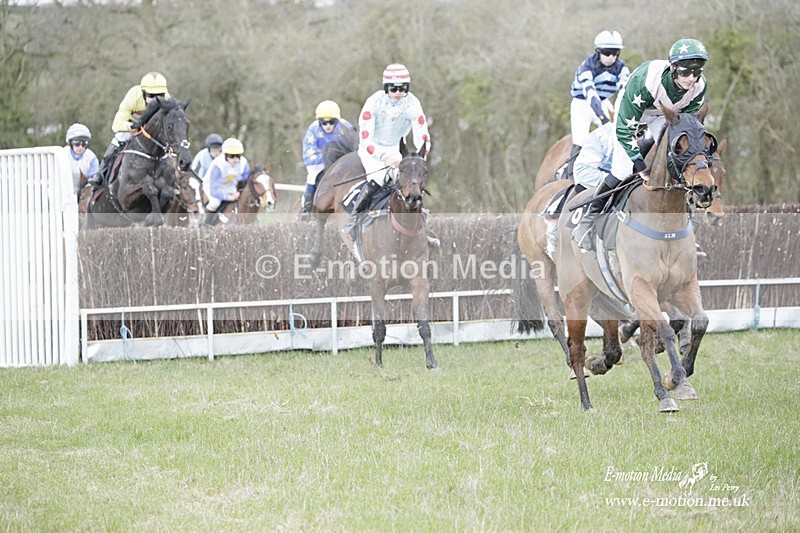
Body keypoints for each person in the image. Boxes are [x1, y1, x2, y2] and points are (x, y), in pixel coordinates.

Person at [573, 37, 709, 251]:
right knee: (622, 169)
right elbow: (624, 130)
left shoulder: (699, 87)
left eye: (696, 71)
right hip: (634, 111)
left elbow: (686, 126)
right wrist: (640, 165)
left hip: (662, 114)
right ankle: (587, 221)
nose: (691, 78)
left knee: (678, 159)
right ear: (673, 67)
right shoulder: (646, 80)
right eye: (685, 72)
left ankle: (686, 221)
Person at [342, 63, 431, 237]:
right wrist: (384, 157)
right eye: (393, 88)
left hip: (397, 148)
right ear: (386, 87)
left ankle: (422, 229)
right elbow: (366, 138)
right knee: (378, 178)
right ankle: (354, 219)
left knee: (412, 182)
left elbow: (423, 135)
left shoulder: (413, 103)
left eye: (402, 88)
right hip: (373, 149)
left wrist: (420, 158)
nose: (398, 92)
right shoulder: (373, 103)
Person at [567, 30, 630, 180]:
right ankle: (570, 176)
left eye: (615, 53)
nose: (611, 57)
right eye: (607, 53)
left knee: (617, 132)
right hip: (582, 103)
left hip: (603, 101)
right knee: (580, 140)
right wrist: (603, 118)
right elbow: (590, 94)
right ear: (598, 52)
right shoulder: (587, 66)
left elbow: (624, 91)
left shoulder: (621, 67)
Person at [94, 72, 170, 186]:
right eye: (151, 96)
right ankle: (101, 173)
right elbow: (116, 125)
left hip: (153, 133)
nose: (156, 100)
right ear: (144, 94)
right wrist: (131, 126)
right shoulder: (133, 96)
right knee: (120, 137)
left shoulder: (167, 100)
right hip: (133, 130)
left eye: (160, 95)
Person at [300, 100, 355, 219]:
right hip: (319, 161)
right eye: (324, 123)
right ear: (319, 122)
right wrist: (325, 159)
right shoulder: (313, 130)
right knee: (312, 175)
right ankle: (307, 207)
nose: (328, 126)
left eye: (332, 122)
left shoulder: (346, 127)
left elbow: (354, 146)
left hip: (341, 160)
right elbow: (309, 151)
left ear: (337, 121)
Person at [203, 137, 250, 225]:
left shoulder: (244, 164)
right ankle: (206, 225)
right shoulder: (217, 165)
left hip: (230, 185)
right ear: (225, 155)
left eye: (238, 156)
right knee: (215, 203)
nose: (235, 159)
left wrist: (239, 191)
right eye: (231, 156)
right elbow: (214, 191)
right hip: (212, 187)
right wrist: (228, 197)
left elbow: (244, 179)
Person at [63, 123, 100, 201]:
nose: (80, 147)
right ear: (70, 143)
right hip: (63, 193)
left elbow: (94, 179)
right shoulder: (63, 154)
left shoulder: (91, 157)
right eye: (77, 144)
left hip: (83, 195)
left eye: (84, 144)